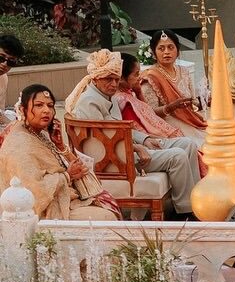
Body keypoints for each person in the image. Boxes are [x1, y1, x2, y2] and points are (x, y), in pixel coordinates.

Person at [65, 49, 200, 217]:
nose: (114, 84)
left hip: (125, 150)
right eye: (108, 79)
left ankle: (197, 202)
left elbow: (121, 128)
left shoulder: (107, 95)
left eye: (116, 79)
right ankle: (185, 212)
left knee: (188, 144)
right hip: (115, 160)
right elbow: (105, 140)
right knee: (177, 156)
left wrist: (146, 139)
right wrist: (137, 148)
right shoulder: (89, 102)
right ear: (95, 78)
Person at [0, 84, 119, 220]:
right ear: (23, 109)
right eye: (39, 105)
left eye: (50, 106)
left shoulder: (38, 133)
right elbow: (34, 190)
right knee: (106, 217)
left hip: (63, 197)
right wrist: (68, 176)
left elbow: (80, 169)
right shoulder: (19, 144)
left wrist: (61, 146)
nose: (46, 110)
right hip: (40, 212)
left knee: (106, 201)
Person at [117, 53, 204, 179]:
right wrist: (151, 139)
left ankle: (195, 189)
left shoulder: (129, 93)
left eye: (171, 47)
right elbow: (138, 127)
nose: (139, 77)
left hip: (160, 131)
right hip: (148, 140)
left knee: (190, 143)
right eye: (136, 74)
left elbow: (148, 113)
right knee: (186, 151)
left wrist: (139, 92)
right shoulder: (122, 100)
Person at [140, 30, 208, 142]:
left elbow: (193, 103)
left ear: (177, 50)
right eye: (161, 48)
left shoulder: (184, 72)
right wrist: (170, 107)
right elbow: (149, 114)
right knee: (202, 144)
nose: (166, 52)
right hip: (168, 124)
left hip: (190, 120)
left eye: (171, 47)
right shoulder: (151, 77)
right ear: (154, 52)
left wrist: (204, 101)